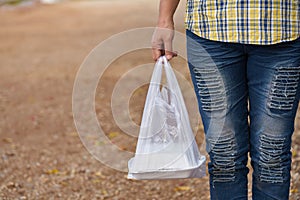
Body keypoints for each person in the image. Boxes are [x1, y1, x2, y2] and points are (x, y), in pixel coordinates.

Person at [151, 0, 300, 199]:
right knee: (224, 154)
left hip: (282, 29)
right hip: (211, 32)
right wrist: (164, 19)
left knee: (272, 153)